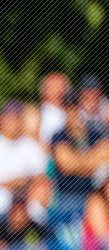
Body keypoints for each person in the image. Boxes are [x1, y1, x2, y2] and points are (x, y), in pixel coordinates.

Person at [0, 100, 48, 229]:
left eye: (17, 118)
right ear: (0, 119)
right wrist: (11, 183)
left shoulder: (30, 146)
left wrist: (20, 183)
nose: (14, 122)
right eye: (10, 118)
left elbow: (41, 182)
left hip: (27, 215)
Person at [50, 91, 109, 227]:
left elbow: (106, 154)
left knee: (96, 204)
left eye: (75, 108)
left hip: (94, 195)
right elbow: (66, 165)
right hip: (68, 197)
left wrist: (77, 161)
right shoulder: (59, 136)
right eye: (68, 109)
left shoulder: (94, 133)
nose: (72, 113)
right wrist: (93, 160)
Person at [39, 72, 70, 145]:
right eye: (53, 87)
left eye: (60, 86)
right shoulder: (40, 115)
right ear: (44, 90)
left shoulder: (72, 111)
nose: (57, 90)